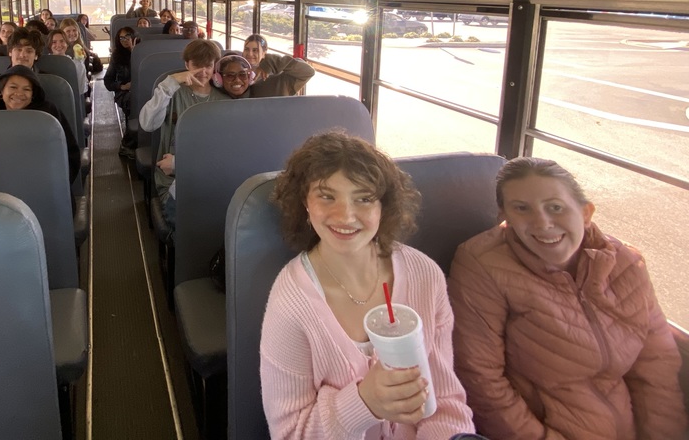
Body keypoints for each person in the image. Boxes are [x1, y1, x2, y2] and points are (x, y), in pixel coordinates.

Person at [448, 157, 686, 440]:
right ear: (505, 217)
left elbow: (656, 366)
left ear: (586, 212)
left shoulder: (625, 263)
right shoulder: (482, 264)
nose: (542, 223)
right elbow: (480, 379)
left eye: (556, 207)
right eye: (521, 209)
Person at [260, 131, 475, 439]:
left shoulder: (424, 275)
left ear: (383, 207)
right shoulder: (291, 304)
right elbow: (291, 433)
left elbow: (444, 403)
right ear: (304, 203)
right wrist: (365, 403)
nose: (346, 215)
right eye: (326, 196)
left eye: (363, 198)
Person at [138, 39, 226, 228]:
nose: (203, 72)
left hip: (209, 177)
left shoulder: (222, 100)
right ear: (187, 65)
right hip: (173, 180)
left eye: (209, 66)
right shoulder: (172, 94)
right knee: (190, 223)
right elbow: (147, 124)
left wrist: (180, 163)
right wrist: (170, 83)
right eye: (197, 65)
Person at [0, 65, 80, 184]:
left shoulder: (48, 114)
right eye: (13, 87)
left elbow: (70, 154)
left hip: (46, 182)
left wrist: (58, 184)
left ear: (32, 95)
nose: (19, 93)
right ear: (1, 91)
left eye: (26, 89)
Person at [216, 52, 315, 99]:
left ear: (250, 77)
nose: (237, 80)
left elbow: (307, 72)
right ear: (219, 79)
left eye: (242, 74)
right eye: (230, 75)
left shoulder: (274, 87)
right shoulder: (213, 97)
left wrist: (272, 62)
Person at [103, 27, 136, 155]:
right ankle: (127, 143)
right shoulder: (117, 57)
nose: (125, 40)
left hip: (144, 91)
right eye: (122, 38)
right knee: (133, 102)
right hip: (125, 93)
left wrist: (135, 53)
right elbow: (108, 81)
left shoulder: (145, 53)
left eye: (128, 36)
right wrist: (123, 86)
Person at [46, 28, 88, 98]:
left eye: (62, 41)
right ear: (49, 45)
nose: (59, 45)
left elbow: (80, 89)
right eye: (54, 42)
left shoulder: (74, 63)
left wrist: (80, 62)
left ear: (67, 44)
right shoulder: (44, 63)